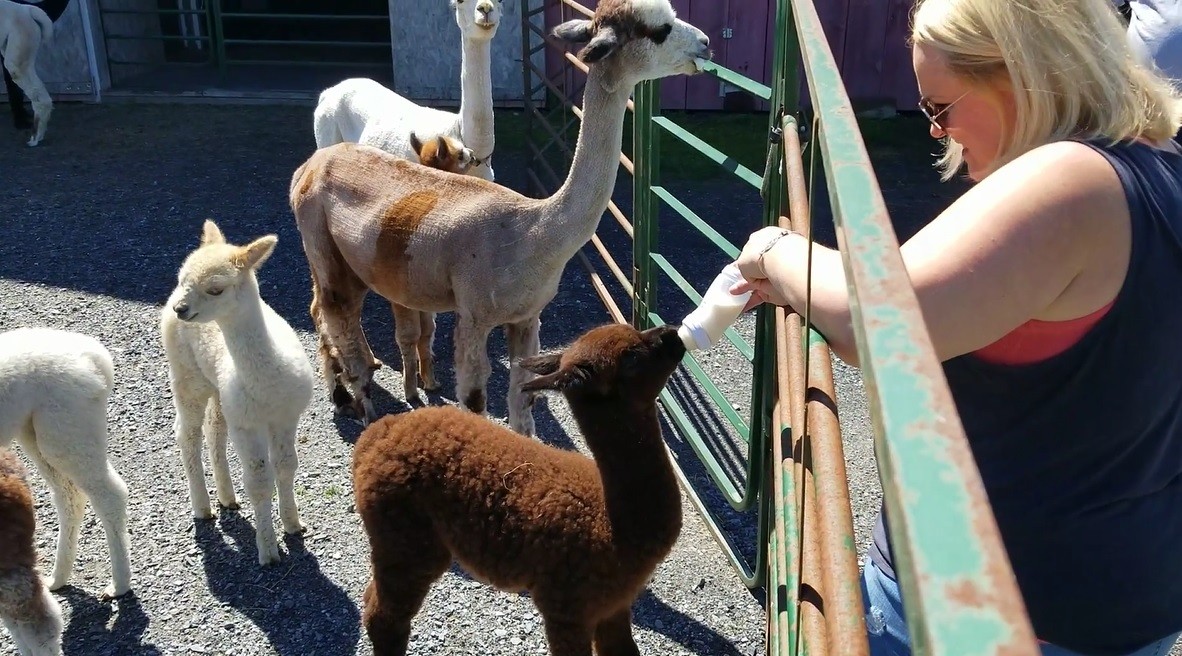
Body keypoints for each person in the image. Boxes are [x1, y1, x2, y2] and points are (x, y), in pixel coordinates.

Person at [731, 0, 1182, 654]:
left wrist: (775, 248)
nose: (937, 134)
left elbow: (880, 320)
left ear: (1021, 77)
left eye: (940, 107)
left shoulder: (1073, 183)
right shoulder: (1159, 162)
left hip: (996, 615)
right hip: (1116, 596)